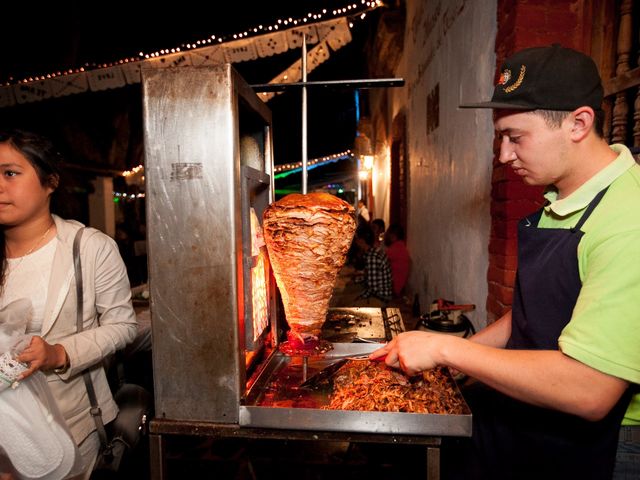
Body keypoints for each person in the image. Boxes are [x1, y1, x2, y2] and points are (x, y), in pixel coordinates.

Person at [371, 45, 640, 479]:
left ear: (579, 123)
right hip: (536, 423)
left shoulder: (630, 221)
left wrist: (446, 347)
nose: (503, 156)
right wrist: (452, 363)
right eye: (501, 138)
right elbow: (531, 317)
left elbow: (590, 390)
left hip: (607, 447)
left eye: (516, 137)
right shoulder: (563, 200)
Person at [0, 129, 138, 479]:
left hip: (67, 428)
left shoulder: (88, 248)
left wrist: (60, 353)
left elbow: (123, 326)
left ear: (50, 182)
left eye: (10, 173)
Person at [351, 223, 392, 306]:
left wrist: (358, 297)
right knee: (349, 290)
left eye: (357, 239)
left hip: (381, 297)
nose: (355, 241)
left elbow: (373, 289)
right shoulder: (375, 251)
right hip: (380, 293)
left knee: (348, 304)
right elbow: (372, 278)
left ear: (362, 240)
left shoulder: (372, 258)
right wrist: (356, 280)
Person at [383, 223, 410, 298]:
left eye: (387, 233)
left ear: (393, 236)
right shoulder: (400, 246)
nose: (385, 236)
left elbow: (378, 260)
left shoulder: (396, 248)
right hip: (395, 288)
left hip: (393, 290)